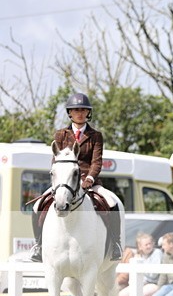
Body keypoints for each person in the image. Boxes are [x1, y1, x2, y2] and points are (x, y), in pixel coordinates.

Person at [29, 92, 123, 262]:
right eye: (75, 110)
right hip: (65, 182)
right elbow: (55, 161)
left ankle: (116, 243)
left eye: (83, 110)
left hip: (89, 181)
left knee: (112, 203)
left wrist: (90, 179)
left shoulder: (96, 136)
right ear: (69, 113)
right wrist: (60, 181)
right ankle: (38, 245)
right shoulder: (61, 134)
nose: (79, 113)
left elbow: (96, 162)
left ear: (88, 113)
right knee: (37, 206)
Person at [118, 232, 163, 296]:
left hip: (154, 283)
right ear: (140, 246)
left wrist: (140, 268)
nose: (148, 246)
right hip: (140, 283)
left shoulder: (157, 253)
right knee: (122, 295)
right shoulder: (138, 256)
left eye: (150, 243)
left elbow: (153, 275)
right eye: (146, 244)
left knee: (140, 294)